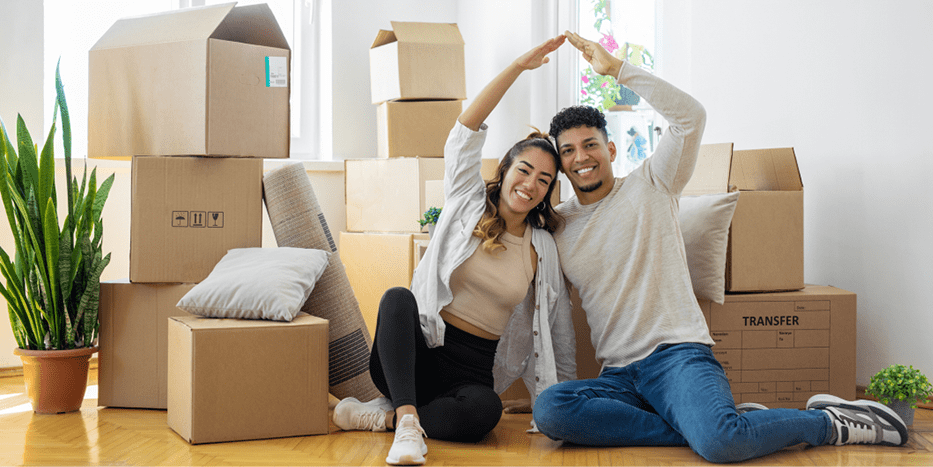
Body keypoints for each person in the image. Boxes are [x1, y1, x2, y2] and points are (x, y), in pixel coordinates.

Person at [531, 31, 908, 463]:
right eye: (569, 151)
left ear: (610, 147)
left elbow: (691, 117)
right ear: (560, 162)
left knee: (721, 445)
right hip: (617, 375)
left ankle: (831, 422)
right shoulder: (558, 225)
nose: (581, 157)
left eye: (590, 144)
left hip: (677, 357)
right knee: (551, 410)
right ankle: (704, 425)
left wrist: (617, 69)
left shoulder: (653, 183)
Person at [332, 36, 576, 466]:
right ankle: (408, 419)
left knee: (486, 414)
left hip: (472, 374)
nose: (531, 183)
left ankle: (390, 421)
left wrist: (557, 401)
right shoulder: (466, 200)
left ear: (548, 191)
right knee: (396, 298)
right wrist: (517, 67)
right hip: (414, 357)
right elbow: (464, 131)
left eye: (544, 179)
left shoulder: (542, 247)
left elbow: (557, 326)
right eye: (524, 169)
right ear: (505, 171)